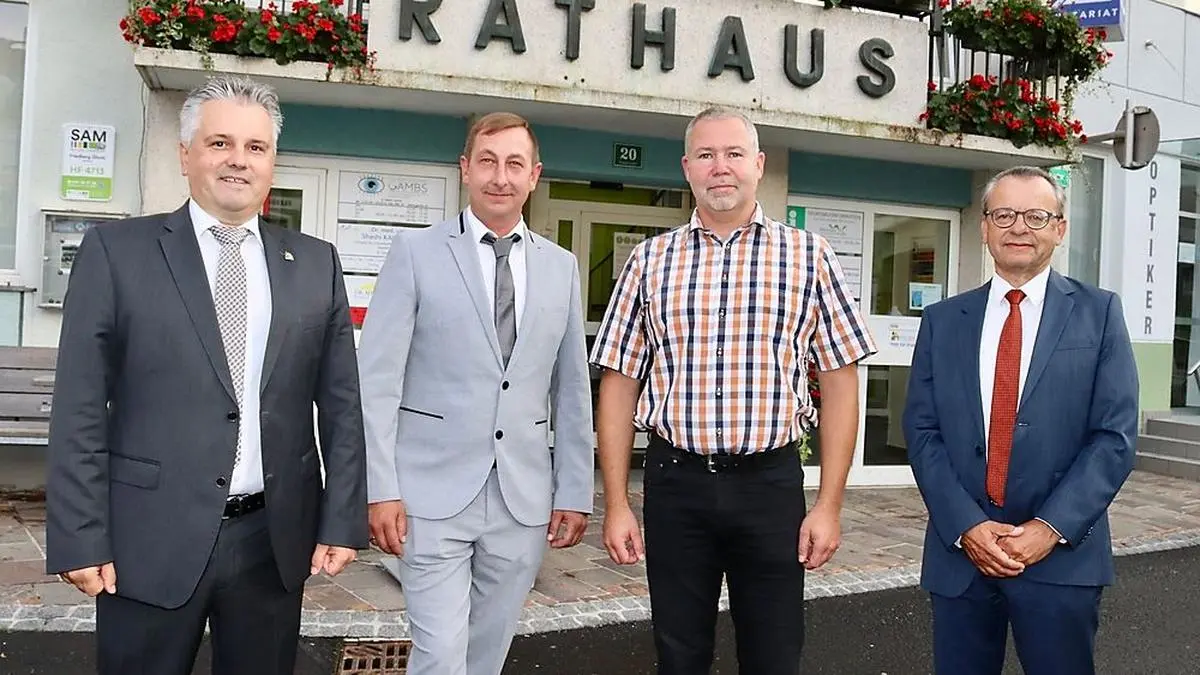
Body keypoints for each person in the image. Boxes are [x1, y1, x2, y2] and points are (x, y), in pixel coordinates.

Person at [43, 74, 368, 674]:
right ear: (186, 154)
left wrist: (342, 518)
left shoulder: (314, 263)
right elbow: (80, 406)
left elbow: (342, 404)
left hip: (272, 542)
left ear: (272, 162)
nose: (238, 161)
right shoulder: (117, 253)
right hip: (147, 540)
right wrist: (80, 535)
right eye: (220, 143)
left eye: (256, 147)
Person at [589, 106, 877, 675]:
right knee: (679, 653)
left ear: (758, 164)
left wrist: (829, 504)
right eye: (706, 155)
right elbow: (619, 386)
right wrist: (617, 504)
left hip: (770, 487)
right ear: (687, 168)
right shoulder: (648, 261)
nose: (720, 167)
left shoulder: (809, 256)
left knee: (773, 654)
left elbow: (841, 381)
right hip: (676, 486)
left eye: (734, 153)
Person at [357, 111, 594, 675]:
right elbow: (378, 381)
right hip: (429, 495)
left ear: (534, 176)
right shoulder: (415, 253)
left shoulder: (561, 268)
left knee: (487, 655)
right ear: (465, 169)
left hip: (522, 498)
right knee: (440, 654)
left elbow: (572, 389)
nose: (500, 177)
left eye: (514, 164)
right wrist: (379, 487)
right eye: (487, 161)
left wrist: (574, 490)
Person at [902, 165, 1139, 675]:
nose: (1019, 228)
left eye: (1036, 215)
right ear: (984, 227)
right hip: (962, 557)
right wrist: (966, 525)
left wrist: (1049, 528)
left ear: (1059, 228)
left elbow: (1114, 437)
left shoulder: (1099, 314)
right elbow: (922, 432)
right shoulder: (944, 320)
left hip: (1061, 559)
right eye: (1004, 214)